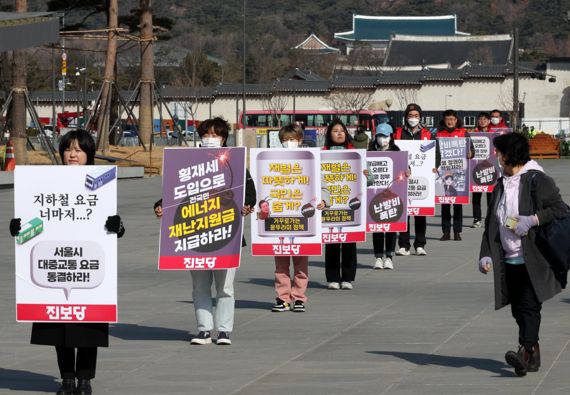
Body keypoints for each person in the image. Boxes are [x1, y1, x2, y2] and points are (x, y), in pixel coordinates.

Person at [9, 129, 125, 395]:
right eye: (68, 149)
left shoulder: (101, 182)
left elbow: (113, 226)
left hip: (86, 266)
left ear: (89, 155)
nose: (73, 154)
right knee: (59, 328)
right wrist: (17, 227)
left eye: (79, 150)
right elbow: (31, 220)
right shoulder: (45, 182)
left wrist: (116, 226)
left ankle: (85, 379)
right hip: (55, 265)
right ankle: (67, 379)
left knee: (89, 325)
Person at [479, 132, 567, 377]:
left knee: (529, 305)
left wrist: (533, 219)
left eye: (499, 152)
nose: (496, 156)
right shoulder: (500, 183)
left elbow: (559, 209)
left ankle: (524, 351)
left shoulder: (536, 180)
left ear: (510, 155)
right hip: (509, 258)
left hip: (535, 257)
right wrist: (485, 254)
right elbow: (491, 223)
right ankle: (532, 352)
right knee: (518, 308)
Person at [184, 118, 256, 346]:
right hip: (196, 232)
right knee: (200, 286)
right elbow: (174, 193)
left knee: (225, 287)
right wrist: (160, 205)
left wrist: (247, 205)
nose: (210, 139)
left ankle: (224, 330)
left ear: (224, 139)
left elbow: (250, 193)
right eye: (206, 135)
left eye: (215, 135)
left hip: (227, 233)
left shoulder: (234, 164)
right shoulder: (186, 164)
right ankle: (204, 330)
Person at [270, 124, 326, 312]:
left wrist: (323, 201)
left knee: (301, 263)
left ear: (300, 140)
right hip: (281, 218)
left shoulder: (311, 159)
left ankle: (299, 297)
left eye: (292, 139)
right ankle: (282, 297)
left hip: (304, 219)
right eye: (285, 140)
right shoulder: (272, 161)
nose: (289, 143)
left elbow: (322, 183)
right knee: (281, 264)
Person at [322, 119, 358, 289]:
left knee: (350, 240)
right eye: (335, 130)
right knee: (332, 241)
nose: (339, 133)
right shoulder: (321, 153)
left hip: (349, 204)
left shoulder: (356, 154)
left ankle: (348, 278)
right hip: (330, 204)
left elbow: (370, 179)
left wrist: (366, 173)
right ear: (329, 134)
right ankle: (333, 277)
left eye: (342, 130)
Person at [393, 103, 431, 256]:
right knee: (403, 211)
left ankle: (420, 244)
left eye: (416, 116)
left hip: (421, 178)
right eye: (410, 116)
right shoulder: (398, 132)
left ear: (420, 117)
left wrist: (435, 166)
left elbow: (435, 153)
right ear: (405, 117)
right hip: (402, 177)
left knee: (420, 212)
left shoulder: (427, 134)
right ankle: (403, 244)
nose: (413, 118)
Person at [436, 109, 473, 241]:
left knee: (458, 204)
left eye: (452, 119)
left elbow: (471, 149)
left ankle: (457, 232)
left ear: (456, 120)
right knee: (445, 204)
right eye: (447, 119)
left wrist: (471, 153)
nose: (450, 121)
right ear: (444, 120)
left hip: (459, 173)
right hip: (443, 173)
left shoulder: (464, 133)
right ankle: (446, 232)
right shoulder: (438, 134)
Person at [471, 112, 493, 228]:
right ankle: (477, 219)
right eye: (480, 119)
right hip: (476, 168)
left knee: (491, 196)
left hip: (490, 169)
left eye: (485, 119)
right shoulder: (473, 134)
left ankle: (490, 219)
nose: (482, 121)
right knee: (476, 196)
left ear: (489, 121)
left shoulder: (493, 134)